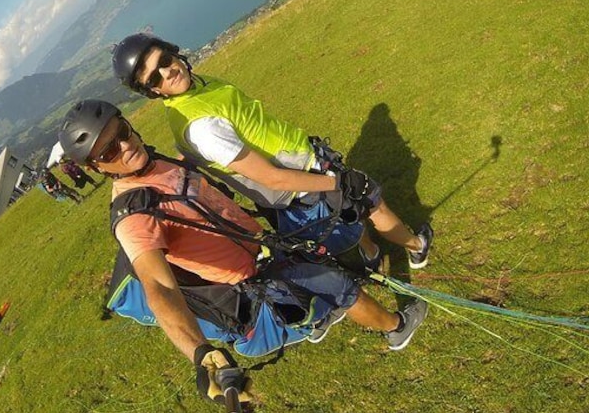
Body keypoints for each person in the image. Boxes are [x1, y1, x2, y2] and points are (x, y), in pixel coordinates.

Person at [57, 100, 428, 403]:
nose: (125, 146)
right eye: (109, 150)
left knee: (321, 272)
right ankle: (397, 328)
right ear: (95, 167)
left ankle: (315, 320)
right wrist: (201, 355)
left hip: (262, 249)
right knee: (343, 287)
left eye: (121, 132)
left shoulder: (155, 162)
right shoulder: (134, 216)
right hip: (253, 279)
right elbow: (160, 289)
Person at [111, 33, 433, 273]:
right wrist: (339, 182)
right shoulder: (200, 125)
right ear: (153, 90)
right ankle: (416, 248)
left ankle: (370, 251)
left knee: (346, 213)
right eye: (155, 77)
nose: (167, 73)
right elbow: (270, 177)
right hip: (299, 178)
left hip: (301, 160)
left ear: (173, 53)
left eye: (164, 61)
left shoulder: (198, 87)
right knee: (368, 199)